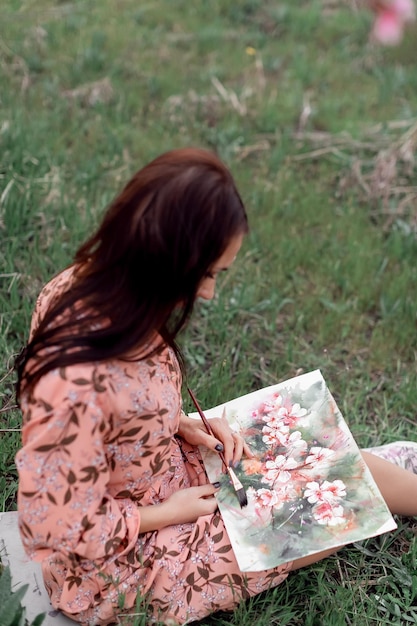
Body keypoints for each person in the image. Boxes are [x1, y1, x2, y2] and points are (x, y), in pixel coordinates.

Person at [15, 148, 417, 626]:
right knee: (313, 512)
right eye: (206, 274)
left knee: (300, 442)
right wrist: (164, 514)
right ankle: (385, 479)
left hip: (159, 477)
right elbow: (51, 521)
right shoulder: (74, 382)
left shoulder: (100, 292)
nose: (208, 293)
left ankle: (387, 479)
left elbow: (117, 416)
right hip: (120, 561)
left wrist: (176, 425)